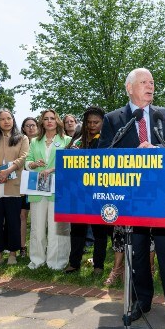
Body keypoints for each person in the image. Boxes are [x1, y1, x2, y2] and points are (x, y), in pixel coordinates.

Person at [98, 68, 165, 327]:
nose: (150, 86)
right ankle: (141, 300)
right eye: (144, 82)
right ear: (130, 88)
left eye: (152, 82)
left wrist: (158, 149)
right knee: (136, 251)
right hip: (131, 197)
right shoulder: (114, 119)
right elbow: (105, 153)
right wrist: (132, 154)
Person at [64, 106, 110, 275]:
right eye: (89, 122)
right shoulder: (77, 140)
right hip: (79, 191)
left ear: (103, 122)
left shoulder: (107, 140)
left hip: (99, 190)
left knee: (99, 230)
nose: (92, 125)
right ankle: (74, 263)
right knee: (77, 229)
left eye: (96, 122)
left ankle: (98, 265)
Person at [25, 109, 71, 270]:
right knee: (37, 226)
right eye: (46, 119)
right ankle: (37, 260)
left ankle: (57, 261)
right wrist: (33, 164)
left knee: (57, 226)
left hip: (58, 189)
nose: (49, 121)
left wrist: (52, 169)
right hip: (38, 188)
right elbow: (27, 161)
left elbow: (70, 164)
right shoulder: (35, 142)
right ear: (42, 122)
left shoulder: (67, 140)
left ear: (57, 121)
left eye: (52, 118)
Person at [0, 109, 30, 266]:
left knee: (13, 221)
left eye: (9, 118)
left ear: (13, 120)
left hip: (13, 187)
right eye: (2, 119)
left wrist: (8, 171)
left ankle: (13, 253)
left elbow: (24, 157)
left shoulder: (22, 138)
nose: (6, 121)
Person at [19, 117, 39, 256]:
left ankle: (39, 247)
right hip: (23, 182)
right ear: (23, 128)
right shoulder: (19, 142)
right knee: (22, 215)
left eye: (33, 125)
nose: (31, 128)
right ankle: (22, 247)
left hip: (39, 181)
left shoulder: (42, 142)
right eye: (27, 126)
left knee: (38, 216)